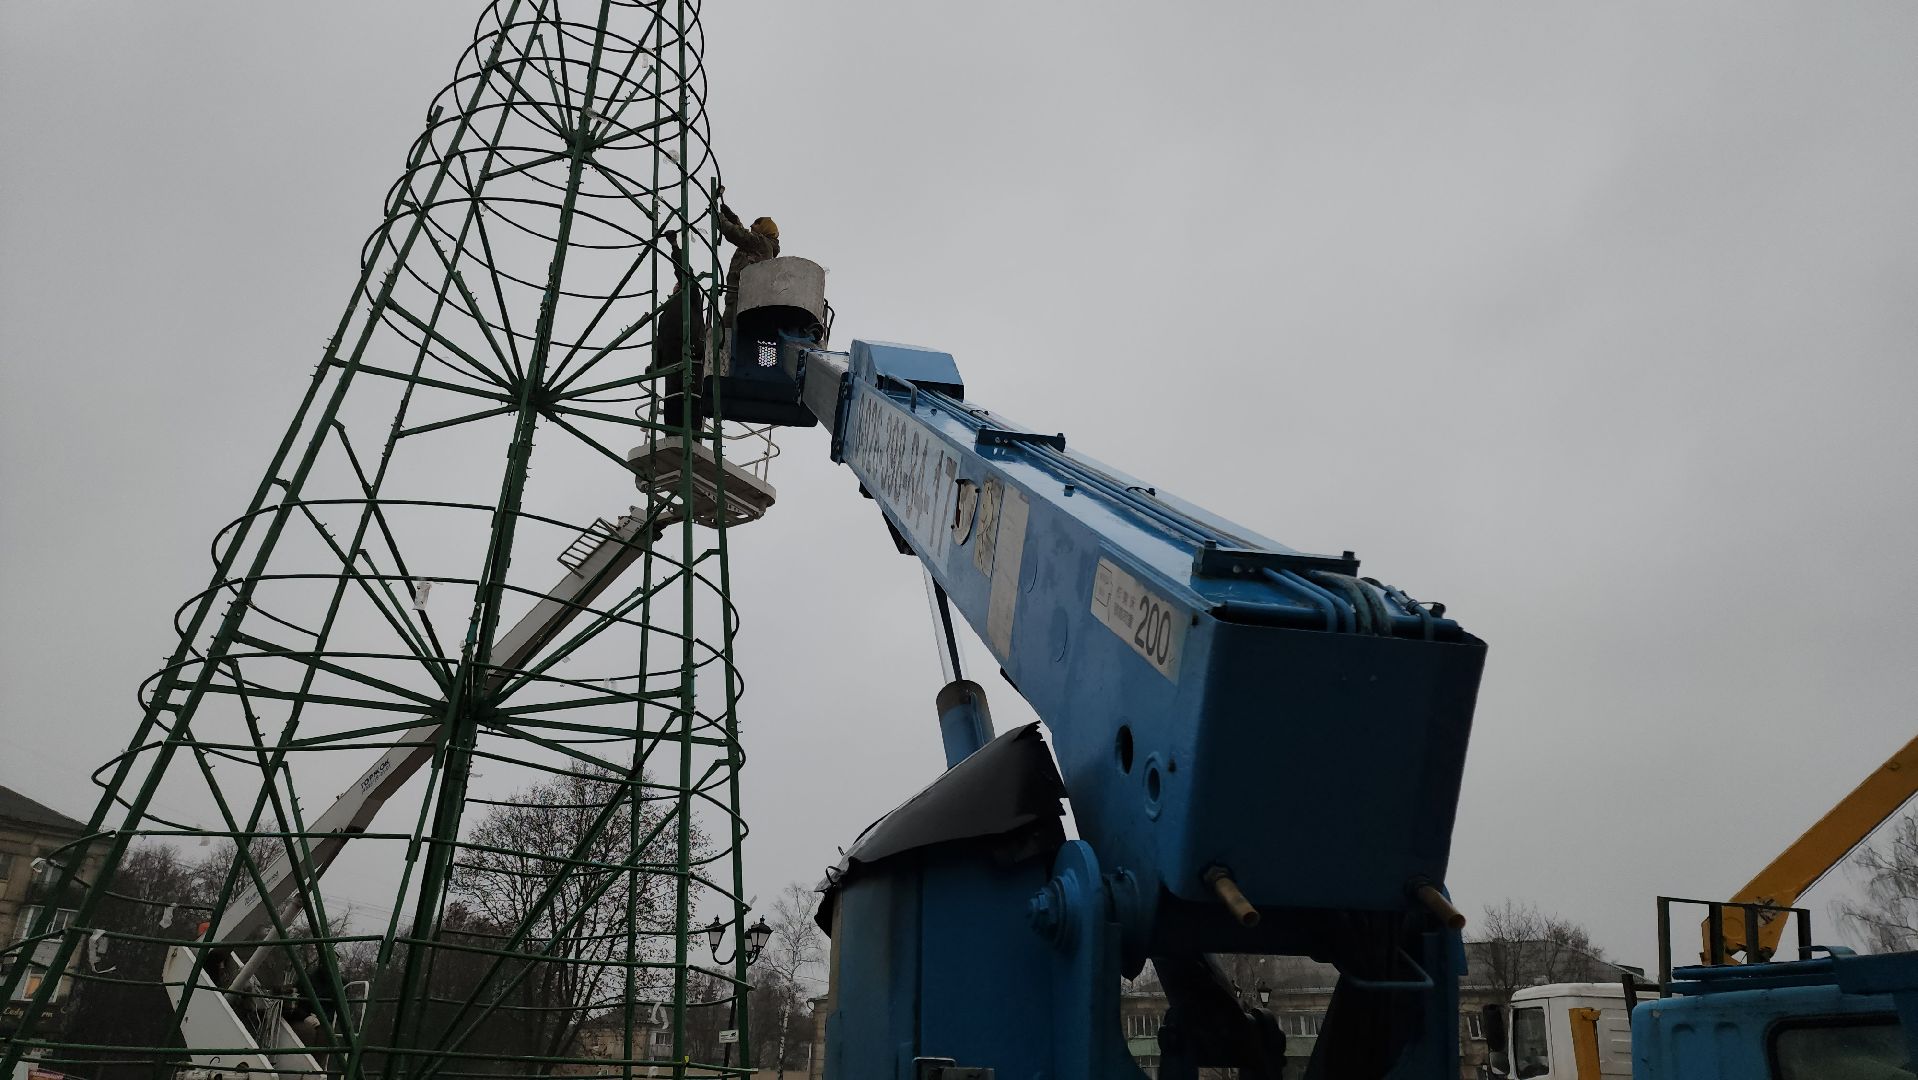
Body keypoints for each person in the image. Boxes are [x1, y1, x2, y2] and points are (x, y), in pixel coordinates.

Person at [715, 193, 779, 333]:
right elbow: (743, 233)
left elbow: (737, 234)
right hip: (740, 300)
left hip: (740, 301)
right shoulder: (761, 245)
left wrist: (718, 216)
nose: (752, 225)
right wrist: (732, 216)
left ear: (765, 229)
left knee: (726, 337)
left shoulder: (761, 243)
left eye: (756, 223)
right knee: (725, 336)